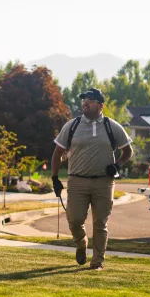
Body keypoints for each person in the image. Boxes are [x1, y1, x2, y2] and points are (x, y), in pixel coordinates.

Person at [51, 88, 133, 269]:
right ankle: (81, 243)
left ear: (100, 105)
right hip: (77, 182)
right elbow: (57, 153)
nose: (85, 103)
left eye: (90, 100)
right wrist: (55, 178)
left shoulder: (112, 126)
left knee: (100, 223)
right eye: (84, 100)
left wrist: (117, 165)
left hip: (104, 182)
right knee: (74, 220)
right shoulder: (72, 126)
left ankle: (97, 261)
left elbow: (127, 151)